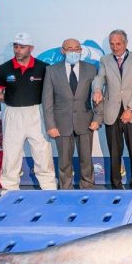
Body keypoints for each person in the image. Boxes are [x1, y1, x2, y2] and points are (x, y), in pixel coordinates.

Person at [0, 32, 56, 191]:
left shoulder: (44, 68)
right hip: (13, 113)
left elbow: (50, 93)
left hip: (37, 112)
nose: (18, 50)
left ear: (31, 48)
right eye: (16, 46)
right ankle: (9, 190)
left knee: (43, 153)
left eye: (22, 47)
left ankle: (49, 189)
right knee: (11, 154)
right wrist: (7, 98)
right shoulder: (2, 69)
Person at [42, 38, 102, 189]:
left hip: (86, 121)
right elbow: (47, 101)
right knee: (64, 161)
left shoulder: (91, 69)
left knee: (86, 160)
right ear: (63, 51)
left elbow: (98, 96)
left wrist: (97, 118)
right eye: (70, 48)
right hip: (61, 123)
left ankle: (88, 187)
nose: (74, 51)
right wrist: (50, 125)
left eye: (77, 48)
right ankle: (66, 189)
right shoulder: (52, 70)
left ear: (81, 51)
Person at [92, 30, 132, 189]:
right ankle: (116, 186)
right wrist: (97, 90)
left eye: (118, 43)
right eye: (112, 44)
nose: (115, 47)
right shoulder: (104, 60)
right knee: (114, 153)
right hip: (112, 114)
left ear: (126, 43)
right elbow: (99, 78)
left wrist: (130, 109)